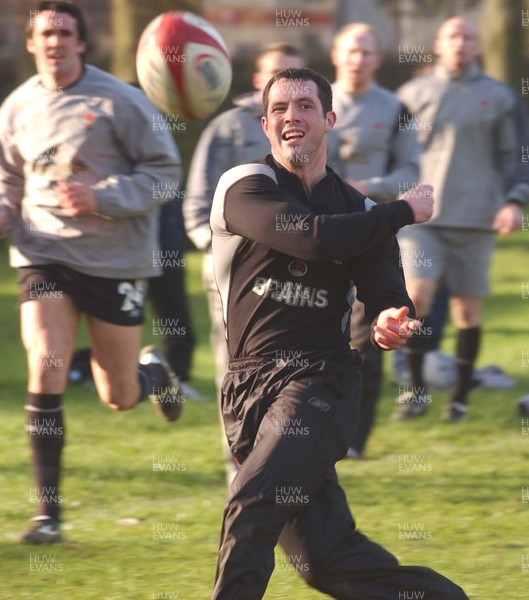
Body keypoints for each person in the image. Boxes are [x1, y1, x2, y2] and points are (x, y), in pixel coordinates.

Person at [209, 67, 467, 599]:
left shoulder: (362, 211)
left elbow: (388, 292)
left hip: (318, 382)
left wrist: (394, 318)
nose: (291, 117)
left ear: (329, 119)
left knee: (251, 505)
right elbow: (307, 239)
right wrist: (403, 211)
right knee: (328, 562)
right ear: (265, 125)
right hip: (246, 388)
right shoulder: (243, 186)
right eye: (280, 109)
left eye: (304, 106)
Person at [0, 1, 183, 543]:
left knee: (118, 395)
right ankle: (48, 514)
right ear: (32, 44)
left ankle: (153, 373)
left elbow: (165, 174)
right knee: (48, 364)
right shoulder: (14, 108)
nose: (54, 41)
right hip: (44, 253)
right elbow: (9, 178)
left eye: (65, 33)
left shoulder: (121, 101)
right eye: (45, 34)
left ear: (82, 43)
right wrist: (6, 210)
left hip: (114, 259)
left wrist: (102, 196)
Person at [395, 17, 528, 422]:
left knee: (467, 310)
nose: (459, 42)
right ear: (438, 43)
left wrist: (514, 202)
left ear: (477, 47)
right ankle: (416, 391)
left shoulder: (500, 97)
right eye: (452, 35)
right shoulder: (413, 93)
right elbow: (393, 154)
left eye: (468, 36)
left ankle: (457, 400)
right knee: (416, 298)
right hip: (422, 218)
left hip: (476, 217)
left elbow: (516, 157)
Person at [184, 42, 305, 482]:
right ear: (257, 81)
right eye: (273, 76)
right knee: (233, 368)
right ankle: (237, 463)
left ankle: (286, 462)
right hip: (234, 275)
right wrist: (212, 245)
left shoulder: (311, 127)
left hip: (297, 277)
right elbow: (197, 198)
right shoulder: (226, 127)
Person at [329, 22, 420, 457]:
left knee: (372, 338)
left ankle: (355, 441)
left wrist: (368, 184)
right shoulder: (312, 102)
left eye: (367, 52)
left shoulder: (397, 107)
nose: (358, 59)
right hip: (320, 235)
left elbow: (411, 172)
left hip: (373, 232)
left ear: (378, 60)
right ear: (335, 55)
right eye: (351, 51)